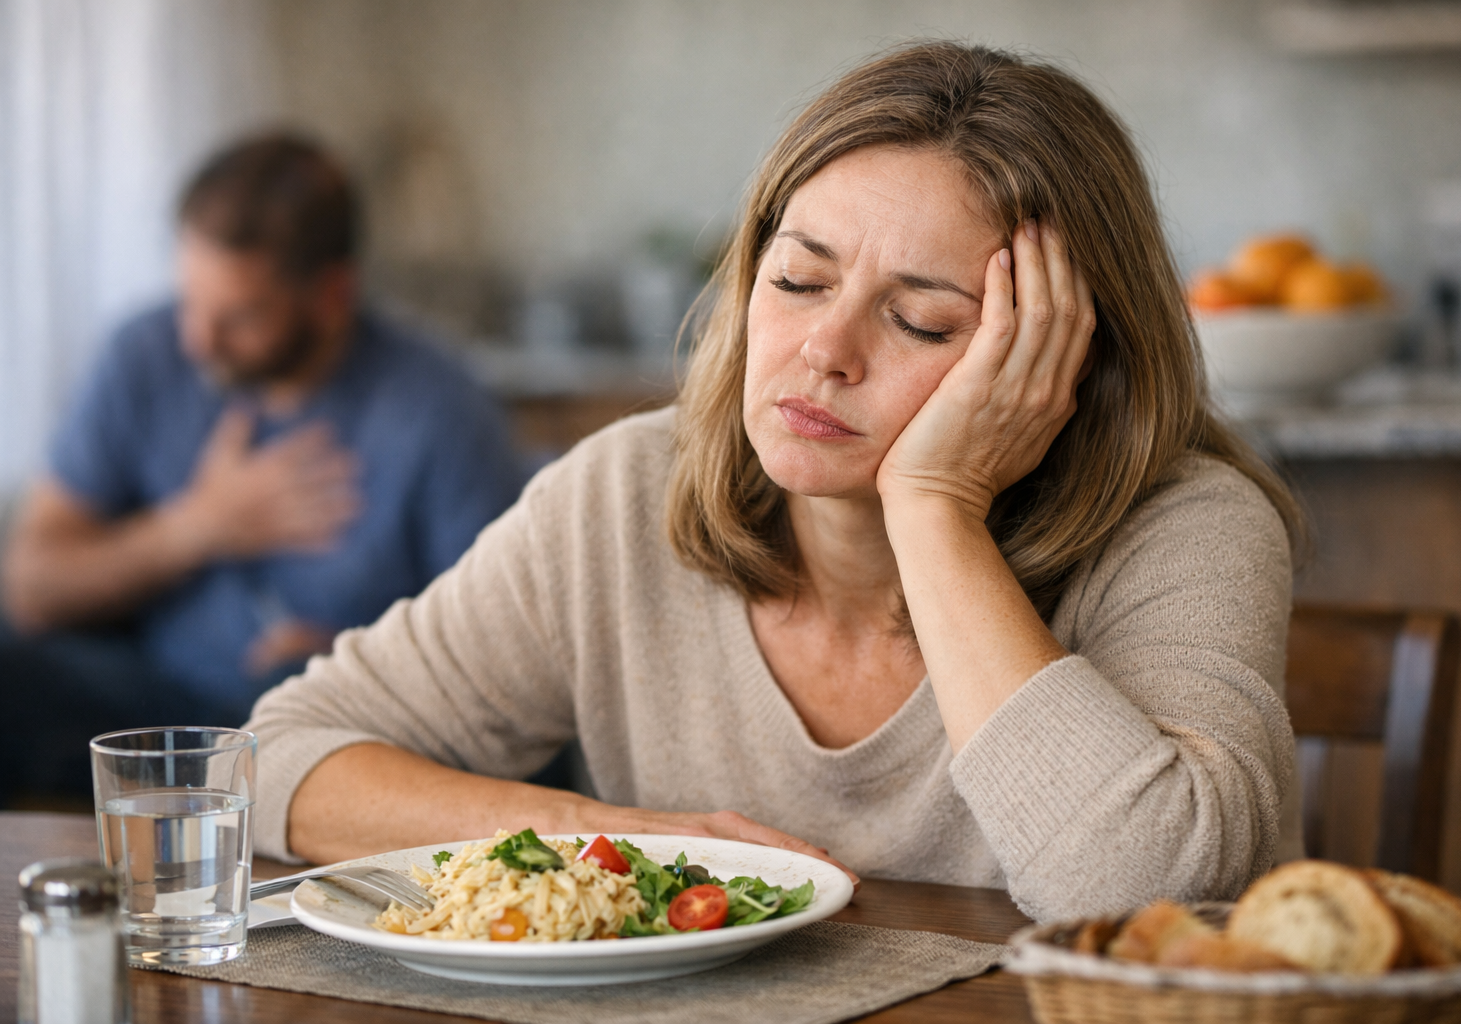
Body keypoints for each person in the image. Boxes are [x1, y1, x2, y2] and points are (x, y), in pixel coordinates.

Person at [245, 43, 1304, 920]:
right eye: (799, 280)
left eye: (920, 319)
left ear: (1061, 361)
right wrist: (618, 842)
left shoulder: (1191, 530)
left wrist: (936, 509)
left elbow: (1151, 896)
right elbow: (273, 760)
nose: (824, 349)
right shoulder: (623, 494)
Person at [0, 134, 530, 803]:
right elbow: (31, 589)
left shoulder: (442, 410)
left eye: (240, 317)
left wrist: (358, 656)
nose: (197, 340)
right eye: (190, 301)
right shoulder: (143, 353)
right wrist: (197, 527)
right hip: (151, 707)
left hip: (329, 729)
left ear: (333, 294)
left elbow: (506, 653)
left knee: (288, 706)